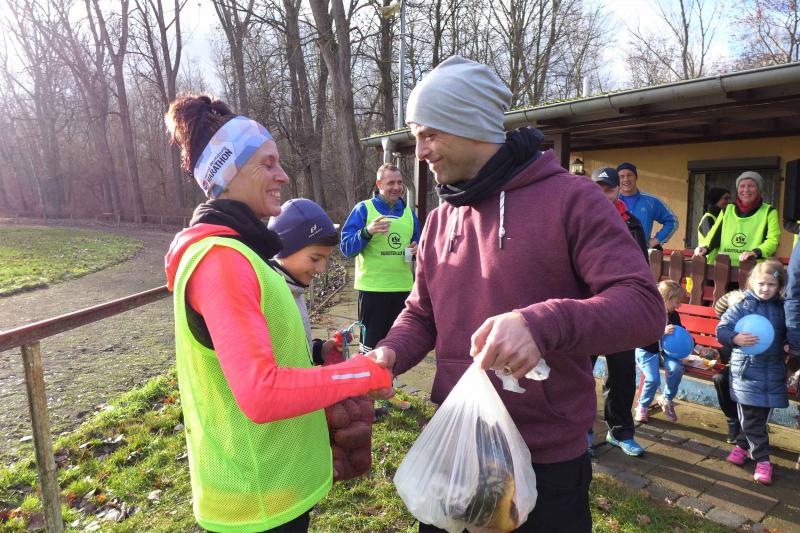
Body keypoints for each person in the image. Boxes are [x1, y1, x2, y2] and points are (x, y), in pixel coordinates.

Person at [368, 56, 665, 533]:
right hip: (458, 445)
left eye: (428, 134)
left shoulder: (572, 199)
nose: (419, 151)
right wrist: (389, 353)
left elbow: (644, 307)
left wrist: (541, 323)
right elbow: (422, 314)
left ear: (470, 124)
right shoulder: (441, 219)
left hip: (546, 461)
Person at [163, 94, 392, 532]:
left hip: (274, 486)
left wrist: (316, 355)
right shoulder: (222, 260)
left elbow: (270, 355)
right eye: (267, 164)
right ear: (228, 172)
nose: (283, 175)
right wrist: (362, 374)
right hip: (256, 500)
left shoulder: (244, 253)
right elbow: (261, 392)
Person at [588, 167, 648, 457]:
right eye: (597, 188)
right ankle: (580, 432)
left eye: (608, 189)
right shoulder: (577, 216)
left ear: (617, 191)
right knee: (580, 372)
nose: (603, 195)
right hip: (586, 306)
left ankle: (620, 431)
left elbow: (642, 266)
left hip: (621, 308)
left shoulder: (632, 224)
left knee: (622, 374)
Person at [717, 258, 788, 485]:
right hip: (746, 373)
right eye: (761, 284)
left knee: (759, 419)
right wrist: (735, 338)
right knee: (750, 420)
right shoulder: (742, 306)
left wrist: (788, 343)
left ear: (779, 286)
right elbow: (722, 329)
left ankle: (741, 445)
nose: (765, 289)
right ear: (752, 283)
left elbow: (789, 332)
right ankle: (763, 460)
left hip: (773, 372)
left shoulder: (783, 309)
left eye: (771, 285)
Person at [340, 163, 421, 352]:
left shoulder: (409, 214)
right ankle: (368, 373)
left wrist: (416, 249)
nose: (396, 187)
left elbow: (419, 245)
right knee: (371, 350)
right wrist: (367, 232)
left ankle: (392, 373)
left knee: (398, 348)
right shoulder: (364, 209)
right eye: (391, 182)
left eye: (399, 182)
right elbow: (346, 248)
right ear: (379, 184)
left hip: (403, 289)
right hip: (373, 290)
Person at [694, 171, 780, 267]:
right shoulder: (727, 209)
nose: (746, 190)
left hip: (754, 268)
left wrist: (755, 252)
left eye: (751, 186)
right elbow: (714, 235)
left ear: (759, 189)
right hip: (725, 267)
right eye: (742, 186)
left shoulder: (769, 212)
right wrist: (705, 248)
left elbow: (773, 241)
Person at [634, 280, 687, 424]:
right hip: (647, 350)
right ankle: (643, 406)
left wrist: (696, 347)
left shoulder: (673, 315)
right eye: (677, 302)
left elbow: (681, 334)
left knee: (677, 368)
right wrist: (661, 331)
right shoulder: (649, 312)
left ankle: (666, 399)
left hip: (666, 353)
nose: (679, 305)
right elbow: (641, 334)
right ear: (666, 299)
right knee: (653, 379)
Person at [616, 162, 678, 249]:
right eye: (621, 176)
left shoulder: (651, 201)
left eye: (630, 175)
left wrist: (657, 239)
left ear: (636, 177)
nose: (626, 179)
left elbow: (672, 221)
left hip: (641, 253)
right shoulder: (610, 201)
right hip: (616, 253)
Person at [712, 289, 744, 443]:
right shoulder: (730, 325)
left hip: (755, 366)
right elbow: (729, 346)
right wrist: (717, 353)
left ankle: (747, 425)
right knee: (720, 379)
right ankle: (732, 420)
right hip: (735, 365)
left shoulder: (752, 321)